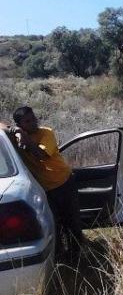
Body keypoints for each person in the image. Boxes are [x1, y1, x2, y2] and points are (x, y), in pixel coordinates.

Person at [1, 107, 84, 258]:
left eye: (34, 118)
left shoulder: (46, 132)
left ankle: (76, 256)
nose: (33, 123)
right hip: (44, 189)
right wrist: (16, 131)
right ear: (19, 124)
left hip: (63, 183)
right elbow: (1, 125)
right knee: (53, 223)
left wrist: (23, 137)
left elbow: (41, 155)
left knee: (72, 221)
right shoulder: (16, 136)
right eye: (27, 121)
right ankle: (58, 255)